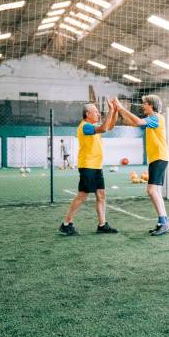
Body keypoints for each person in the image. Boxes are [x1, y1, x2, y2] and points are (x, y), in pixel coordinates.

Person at [59, 99, 119, 236]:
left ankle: (102, 225)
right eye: (96, 112)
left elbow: (110, 126)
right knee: (82, 195)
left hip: (96, 166)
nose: (98, 114)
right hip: (88, 166)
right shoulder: (85, 126)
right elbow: (104, 128)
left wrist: (115, 111)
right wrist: (110, 110)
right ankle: (66, 224)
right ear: (87, 114)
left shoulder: (93, 127)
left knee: (101, 195)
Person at [115, 96, 169, 236]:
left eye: (144, 104)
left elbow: (138, 121)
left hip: (159, 157)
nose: (142, 106)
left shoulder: (156, 117)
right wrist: (119, 111)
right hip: (157, 158)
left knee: (151, 191)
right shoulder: (151, 120)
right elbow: (133, 123)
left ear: (151, 105)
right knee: (155, 191)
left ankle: (163, 222)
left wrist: (122, 108)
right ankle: (163, 222)